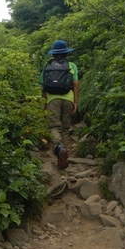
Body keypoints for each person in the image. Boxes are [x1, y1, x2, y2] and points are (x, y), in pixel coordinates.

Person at [39, 40, 79, 170]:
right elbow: (75, 84)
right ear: (66, 54)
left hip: (52, 100)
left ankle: (58, 147)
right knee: (65, 129)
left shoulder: (48, 66)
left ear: (54, 55)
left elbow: (44, 87)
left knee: (54, 127)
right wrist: (75, 102)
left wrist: (44, 105)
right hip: (68, 98)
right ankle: (64, 157)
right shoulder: (71, 65)